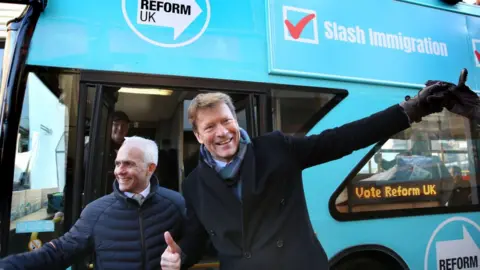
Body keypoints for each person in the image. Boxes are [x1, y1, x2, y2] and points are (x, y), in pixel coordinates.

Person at [160, 70, 480, 270]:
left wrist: (416, 108)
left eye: (227, 121)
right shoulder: (195, 185)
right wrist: (179, 258)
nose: (222, 132)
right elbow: (197, 239)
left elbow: (342, 139)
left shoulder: (275, 148)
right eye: (210, 127)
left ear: (236, 121)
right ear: (199, 136)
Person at [0, 136, 186, 270]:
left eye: (128, 164)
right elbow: (59, 252)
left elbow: (194, 244)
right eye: (117, 163)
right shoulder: (96, 212)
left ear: (150, 168)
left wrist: (181, 258)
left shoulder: (175, 204)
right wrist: (9, 265)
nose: (118, 171)